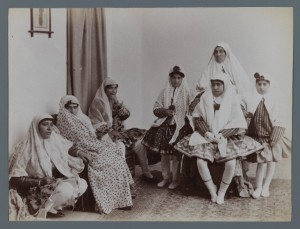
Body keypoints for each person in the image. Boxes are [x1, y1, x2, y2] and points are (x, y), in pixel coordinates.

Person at [175, 73, 263, 204]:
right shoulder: (205, 97)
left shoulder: (232, 99)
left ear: (224, 85)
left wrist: (223, 134)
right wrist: (207, 133)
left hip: (226, 136)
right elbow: (198, 117)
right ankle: (212, 189)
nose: (215, 87)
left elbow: (238, 122)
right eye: (213, 84)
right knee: (200, 161)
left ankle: (222, 191)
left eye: (219, 84)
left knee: (231, 163)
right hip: (207, 135)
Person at [56, 95, 134, 214]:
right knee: (102, 163)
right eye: (69, 108)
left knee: (116, 157)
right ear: (63, 108)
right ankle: (105, 201)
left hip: (93, 145)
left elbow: (92, 135)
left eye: (75, 107)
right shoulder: (62, 122)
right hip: (82, 149)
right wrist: (78, 151)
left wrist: (101, 138)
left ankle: (120, 199)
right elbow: (63, 143)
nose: (72, 111)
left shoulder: (83, 118)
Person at [9, 113, 88, 219]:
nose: (49, 128)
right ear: (36, 127)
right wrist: (40, 181)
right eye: (45, 124)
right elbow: (14, 179)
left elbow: (67, 147)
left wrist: (78, 152)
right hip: (35, 188)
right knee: (67, 189)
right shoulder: (26, 147)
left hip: (53, 183)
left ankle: (54, 206)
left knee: (82, 184)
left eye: (51, 125)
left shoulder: (54, 139)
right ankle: (43, 209)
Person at [141, 65, 193, 189]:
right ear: (170, 79)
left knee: (176, 155)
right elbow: (156, 108)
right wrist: (165, 111)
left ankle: (175, 179)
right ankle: (166, 177)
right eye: (173, 78)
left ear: (182, 79)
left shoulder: (187, 93)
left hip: (180, 127)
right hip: (165, 126)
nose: (176, 80)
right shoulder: (165, 91)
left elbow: (192, 109)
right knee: (164, 155)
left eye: (179, 78)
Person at [88, 78, 152, 179]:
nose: (113, 91)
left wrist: (117, 102)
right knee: (120, 147)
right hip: (106, 134)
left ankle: (146, 172)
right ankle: (122, 177)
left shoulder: (118, 100)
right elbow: (95, 122)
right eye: (110, 88)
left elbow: (126, 115)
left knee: (140, 144)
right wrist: (110, 131)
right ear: (104, 89)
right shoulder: (98, 102)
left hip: (120, 132)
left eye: (115, 88)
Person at [247, 73, 291, 198]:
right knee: (262, 162)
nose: (261, 87)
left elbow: (280, 118)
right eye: (259, 84)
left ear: (269, 85)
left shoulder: (275, 100)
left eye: (264, 84)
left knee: (271, 162)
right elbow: (249, 117)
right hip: (259, 136)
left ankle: (266, 186)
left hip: (271, 136)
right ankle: (258, 186)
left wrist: (275, 137)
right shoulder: (252, 100)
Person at [189, 42, 254, 114]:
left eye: (221, 51)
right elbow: (201, 86)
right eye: (216, 52)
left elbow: (243, 86)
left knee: (238, 105)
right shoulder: (209, 69)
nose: (218, 54)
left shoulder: (234, 68)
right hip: (212, 95)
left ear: (226, 53)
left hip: (232, 95)